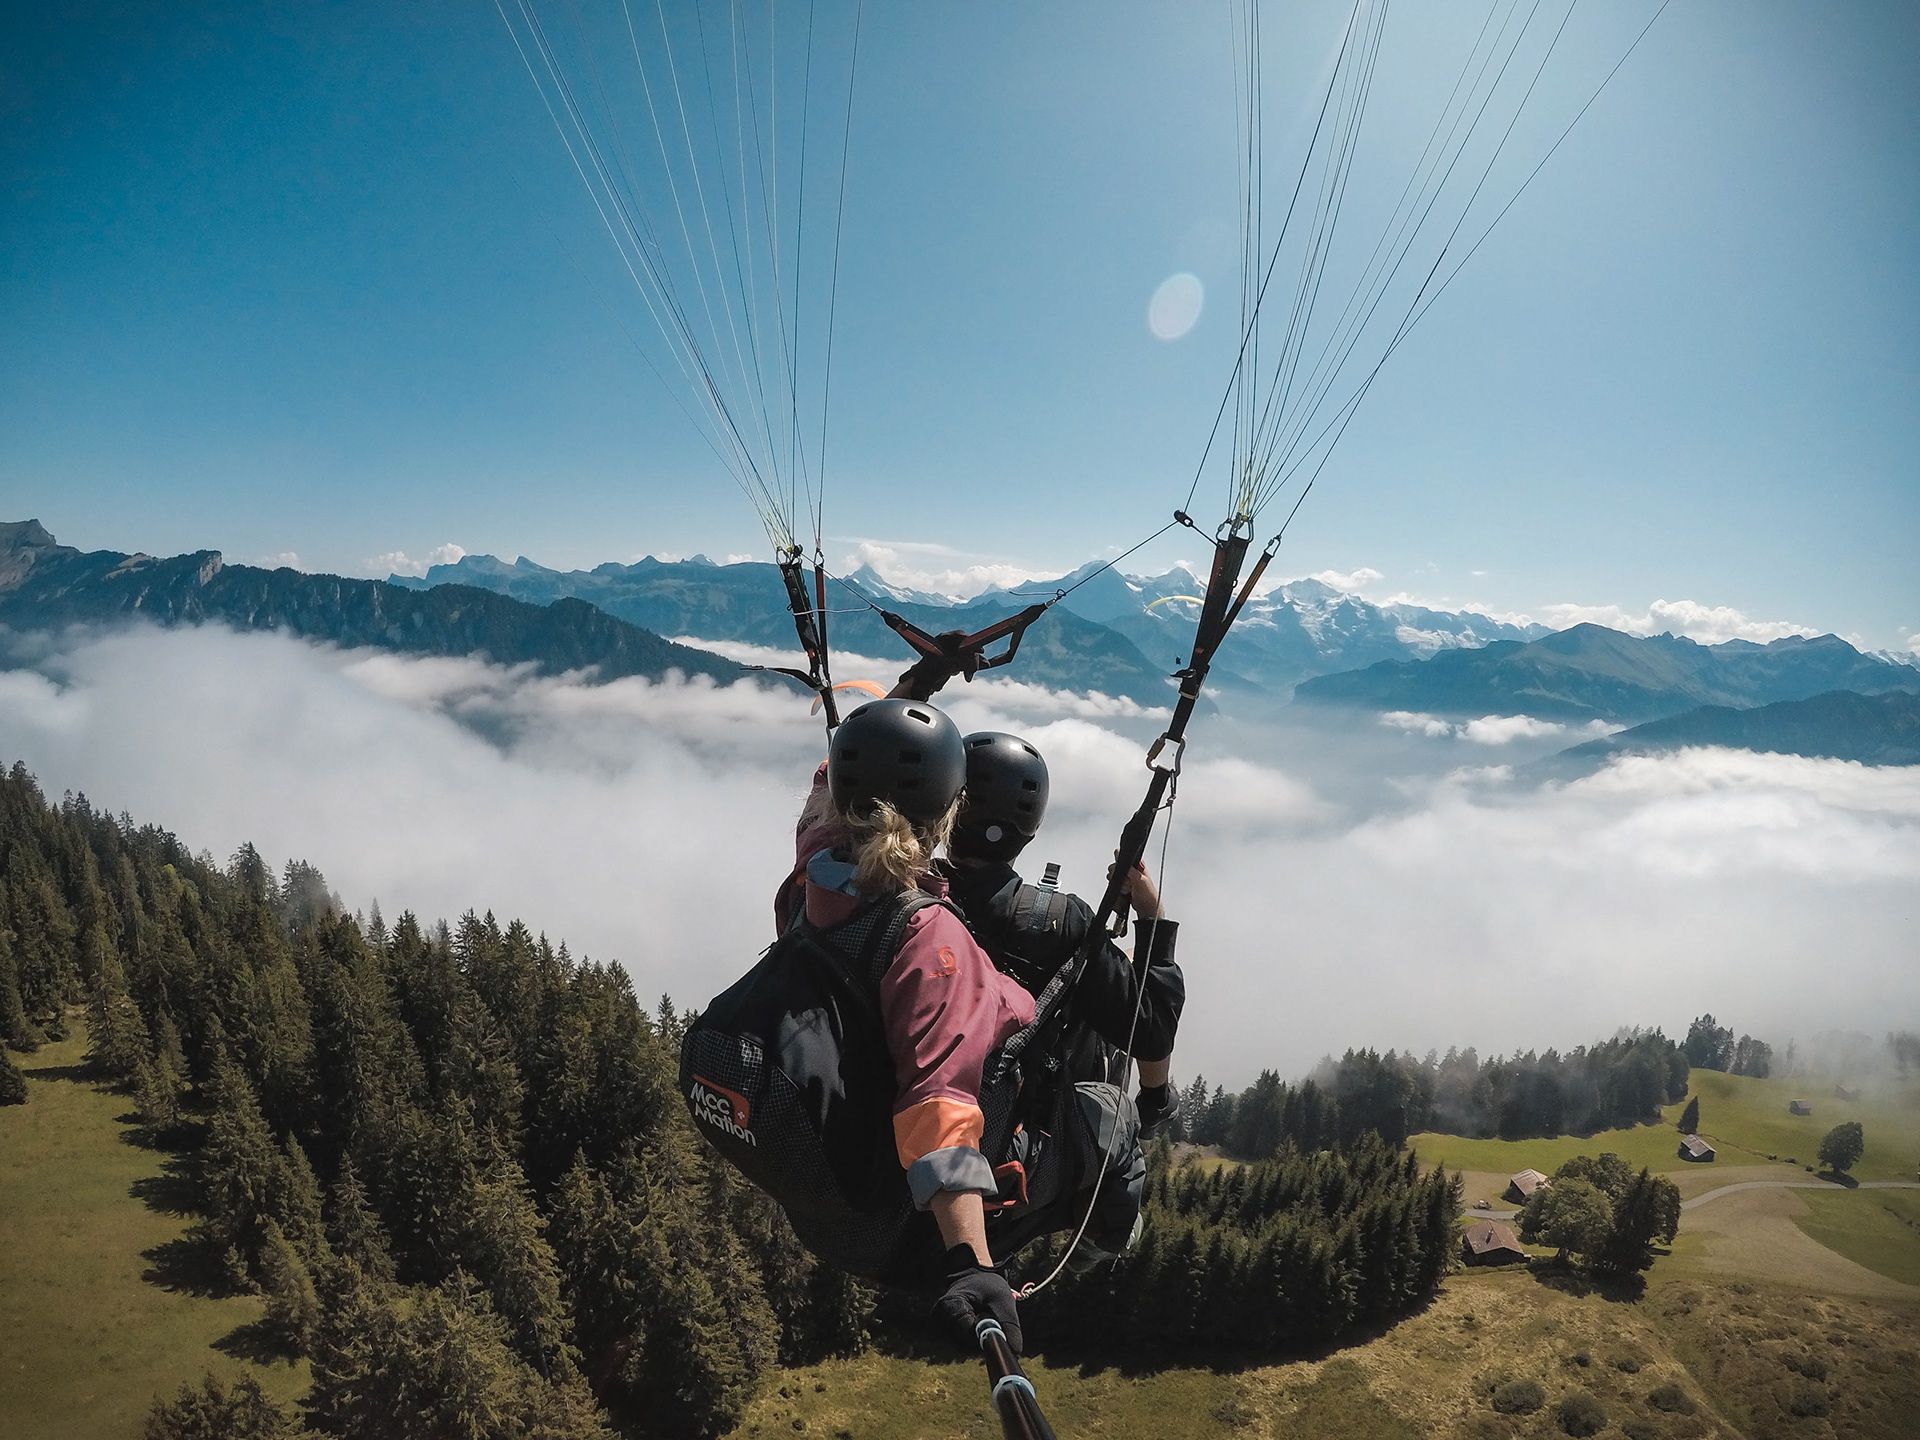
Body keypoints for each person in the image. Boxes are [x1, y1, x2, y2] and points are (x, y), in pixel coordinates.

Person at [777, 688, 1036, 1351]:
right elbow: (938, 1100)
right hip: (893, 1212)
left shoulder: (813, 869)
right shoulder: (927, 936)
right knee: (1095, 1126)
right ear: (951, 812)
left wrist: (910, 691)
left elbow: (831, 780)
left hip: (829, 1170)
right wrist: (971, 1262)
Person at [940, 731, 1187, 1267]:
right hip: (1001, 1151)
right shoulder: (1057, 923)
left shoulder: (901, 895)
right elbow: (1151, 1028)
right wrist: (1152, 917)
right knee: (1118, 1119)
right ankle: (1092, 1249)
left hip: (905, 1131)